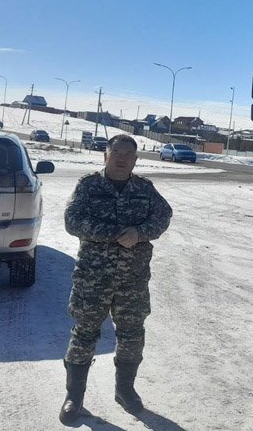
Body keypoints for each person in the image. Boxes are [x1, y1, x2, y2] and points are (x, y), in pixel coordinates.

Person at [60, 134, 172, 424]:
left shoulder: (145, 189)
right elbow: (72, 220)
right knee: (84, 334)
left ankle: (125, 390)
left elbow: (163, 216)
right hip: (93, 278)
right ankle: (74, 397)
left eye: (128, 154)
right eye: (116, 152)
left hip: (132, 281)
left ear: (135, 159)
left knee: (132, 335)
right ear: (105, 155)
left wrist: (140, 232)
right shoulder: (89, 186)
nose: (122, 158)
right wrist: (112, 233)